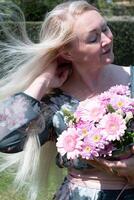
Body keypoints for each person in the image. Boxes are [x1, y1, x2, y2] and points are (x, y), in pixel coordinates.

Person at [0, 1, 134, 200]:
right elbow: (5, 137)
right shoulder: (54, 103)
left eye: (105, 28)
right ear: (67, 52)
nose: (107, 39)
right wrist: (42, 81)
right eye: (93, 38)